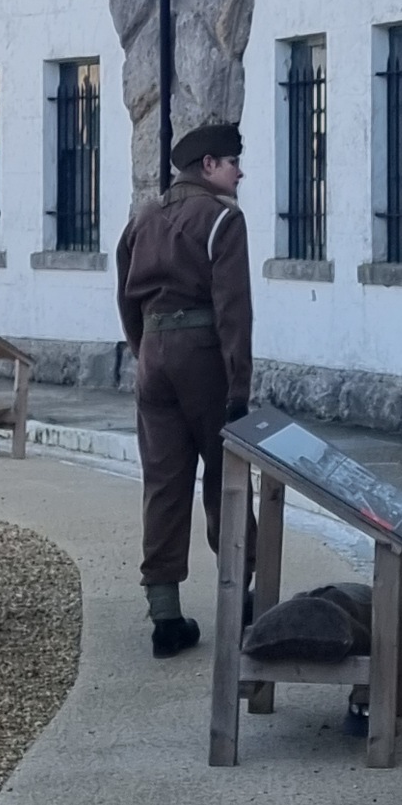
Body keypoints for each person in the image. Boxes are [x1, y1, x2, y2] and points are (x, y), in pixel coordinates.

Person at [116, 122, 257, 656]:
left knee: (163, 482)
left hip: (153, 356)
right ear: (209, 166)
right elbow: (234, 309)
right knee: (227, 477)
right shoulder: (223, 218)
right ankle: (239, 601)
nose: (240, 172)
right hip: (204, 358)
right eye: (233, 162)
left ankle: (165, 614)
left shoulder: (142, 219)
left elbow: (126, 297)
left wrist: (146, 349)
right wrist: (238, 388)